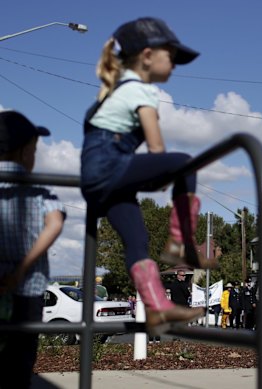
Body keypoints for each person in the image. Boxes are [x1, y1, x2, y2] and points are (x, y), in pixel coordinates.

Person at [79, 17, 211, 335]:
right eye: (172, 56)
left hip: (98, 181)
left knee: (137, 241)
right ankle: (180, 242)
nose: (175, 65)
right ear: (148, 56)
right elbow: (156, 148)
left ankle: (155, 307)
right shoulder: (141, 91)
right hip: (110, 166)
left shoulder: (113, 90)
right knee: (186, 163)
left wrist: (156, 178)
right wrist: (164, 175)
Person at [0, 110, 66, 389]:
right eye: (35, 150)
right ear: (25, 151)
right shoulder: (36, 186)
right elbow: (55, 221)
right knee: (20, 361)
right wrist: (22, 269)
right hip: (28, 288)